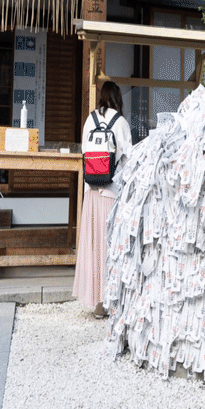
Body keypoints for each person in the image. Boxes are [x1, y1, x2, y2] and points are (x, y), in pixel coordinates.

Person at [73, 80, 132, 318]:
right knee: (110, 247)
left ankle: (97, 304)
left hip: (91, 192)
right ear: (117, 98)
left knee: (93, 245)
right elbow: (129, 158)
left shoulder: (90, 120)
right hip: (111, 192)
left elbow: (85, 152)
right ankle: (111, 301)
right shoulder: (120, 122)